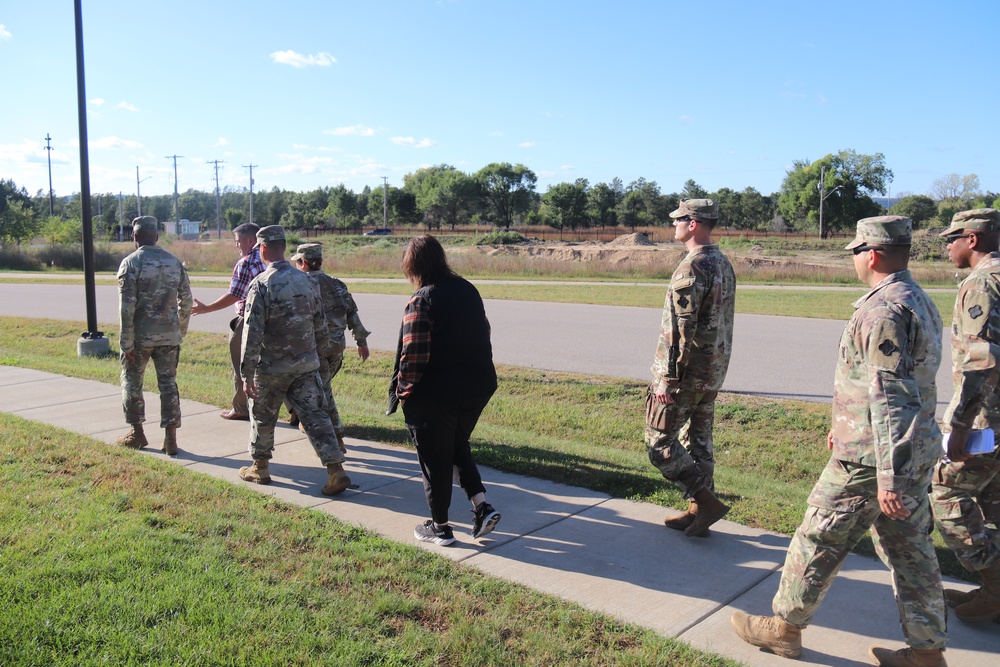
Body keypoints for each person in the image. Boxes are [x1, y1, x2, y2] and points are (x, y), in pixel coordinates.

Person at [731, 216, 948, 667]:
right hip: (906, 451)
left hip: (871, 460)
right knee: (912, 554)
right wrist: (844, 422)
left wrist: (888, 476)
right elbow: (881, 387)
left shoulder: (883, 310)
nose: (852, 258)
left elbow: (891, 399)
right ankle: (927, 654)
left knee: (817, 539)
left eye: (855, 250)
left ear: (872, 253)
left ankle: (784, 629)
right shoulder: (918, 300)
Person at [388, 235, 501, 546]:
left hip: (437, 394)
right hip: (477, 386)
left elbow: (413, 355)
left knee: (434, 459)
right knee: (453, 444)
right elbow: (485, 331)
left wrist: (403, 391)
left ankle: (440, 527)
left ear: (411, 266)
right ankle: (481, 507)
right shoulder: (468, 289)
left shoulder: (421, 299)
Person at [238, 225, 350, 496]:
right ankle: (336, 470)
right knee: (316, 416)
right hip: (306, 364)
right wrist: (318, 355)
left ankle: (260, 467)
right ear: (283, 247)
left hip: (272, 367)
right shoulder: (307, 281)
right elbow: (320, 324)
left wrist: (246, 373)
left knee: (263, 415)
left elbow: (252, 334)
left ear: (263, 248)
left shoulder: (261, 284)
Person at [645, 198, 735, 537]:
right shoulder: (722, 262)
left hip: (686, 374)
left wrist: (668, 380)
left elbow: (680, 331)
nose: (674, 225)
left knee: (659, 441)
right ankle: (700, 513)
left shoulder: (693, 267)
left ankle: (705, 501)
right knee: (698, 441)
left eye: (679, 220)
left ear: (693, 223)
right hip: (711, 372)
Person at [932, 207, 1000, 623]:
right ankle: (991, 592)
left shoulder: (981, 283)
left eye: (951, 239)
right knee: (993, 504)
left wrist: (958, 425)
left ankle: (995, 588)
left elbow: (981, 360)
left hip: (986, 422)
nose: (947, 247)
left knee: (946, 495)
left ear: (972, 239)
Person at [116, 216, 192, 456]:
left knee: (132, 382)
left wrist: (125, 343)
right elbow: (187, 301)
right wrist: (180, 329)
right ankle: (170, 439)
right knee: (169, 385)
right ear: (157, 236)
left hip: (140, 337)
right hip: (169, 337)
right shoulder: (173, 262)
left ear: (134, 236)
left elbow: (126, 308)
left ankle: (136, 432)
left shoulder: (131, 263)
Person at [287, 242, 371, 452]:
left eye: (298, 262)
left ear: (303, 263)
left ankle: (337, 438)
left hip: (314, 350)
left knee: (324, 394)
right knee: (318, 391)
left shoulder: (299, 286)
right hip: (336, 349)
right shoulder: (337, 284)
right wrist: (361, 342)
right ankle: (306, 422)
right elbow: (352, 314)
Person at [191, 222, 265, 420]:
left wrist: (206, 308)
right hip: (272, 322)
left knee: (241, 366)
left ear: (250, 240)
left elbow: (234, 294)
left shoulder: (247, 262)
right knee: (272, 366)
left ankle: (241, 408)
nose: (236, 245)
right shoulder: (270, 260)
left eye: (238, 241)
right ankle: (294, 410)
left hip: (247, 322)